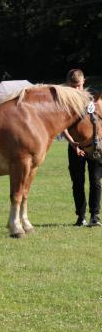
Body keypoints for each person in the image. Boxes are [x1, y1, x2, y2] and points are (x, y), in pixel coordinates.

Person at [62, 69, 102, 227]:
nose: (76, 89)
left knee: (95, 181)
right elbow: (63, 127)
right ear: (68, 85)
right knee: (78, 182)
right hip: (75, 147)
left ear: (84, 82)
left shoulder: (93, 100)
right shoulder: (65, 104)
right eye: (73, 86)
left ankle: (95, 216)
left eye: (78, 85)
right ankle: (81, 217)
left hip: (95, 147)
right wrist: (73, 143)